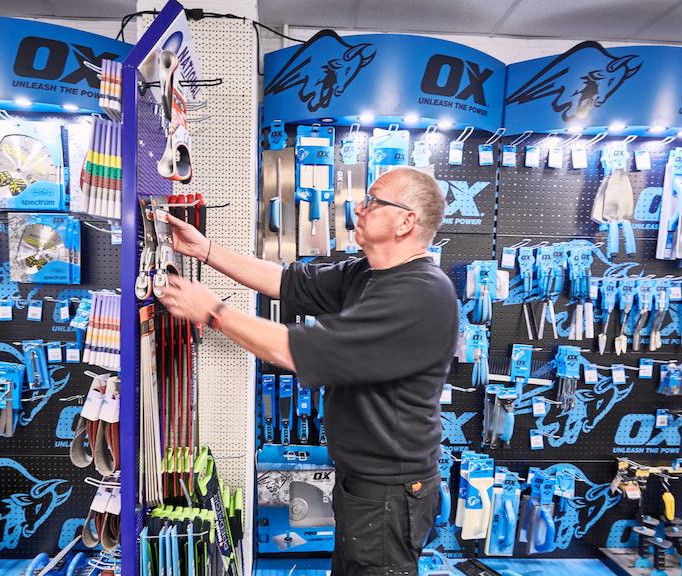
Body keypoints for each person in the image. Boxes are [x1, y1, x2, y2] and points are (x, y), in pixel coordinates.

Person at [157, 167, 459, 575]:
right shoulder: (368, 273)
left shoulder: (421, 294)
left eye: (373, 201)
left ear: (406, 221)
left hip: (390, 489)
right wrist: (206, 250)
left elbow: (299, 349)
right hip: (362, 480)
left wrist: (213, 312)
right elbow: (287, 282)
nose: (359, 207)